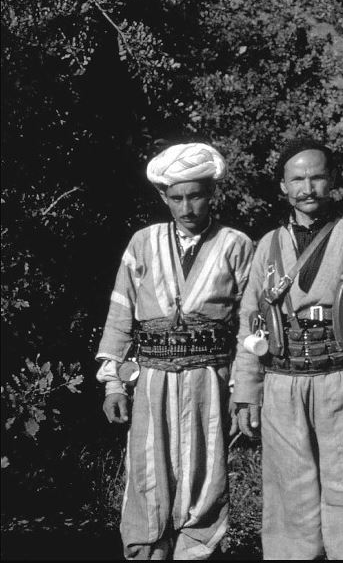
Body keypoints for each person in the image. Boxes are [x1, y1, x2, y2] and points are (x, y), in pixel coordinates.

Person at [232, 138, 343, 559]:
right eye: (297, 178)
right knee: (288, 501)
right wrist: (245, 392)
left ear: (331, 180)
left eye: (316, 176)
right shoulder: (268, 246)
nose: (307, 187)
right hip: (283, 383)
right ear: (282, 186)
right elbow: (250, 322)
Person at [96, 142, 254, 559]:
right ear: (164, 197)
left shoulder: (236, 244)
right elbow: (121, 311)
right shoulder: (143, 242)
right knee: (149, 472)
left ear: (211, 194)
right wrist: (113, 382)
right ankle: (146, 551)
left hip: (211, 381)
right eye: (177, 198)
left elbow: (249, 322)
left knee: (206, 475)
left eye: (196, 195)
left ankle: (196, 552)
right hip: (151, 380)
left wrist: (243, 389)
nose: (187, 207)